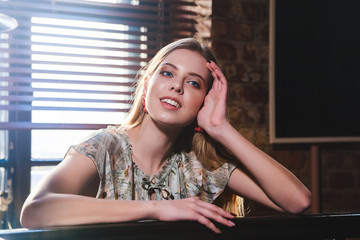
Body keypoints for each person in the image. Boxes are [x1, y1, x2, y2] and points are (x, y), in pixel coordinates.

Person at [20, 38, 311, 234]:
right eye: (168, 74)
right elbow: (34, 212)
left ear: (204, 101)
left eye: (194, 83)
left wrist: (221, 128)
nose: (177, 87)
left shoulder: (199, 165)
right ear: (147, 85)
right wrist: (158, 208)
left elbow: (298, 201)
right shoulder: (105, 146)